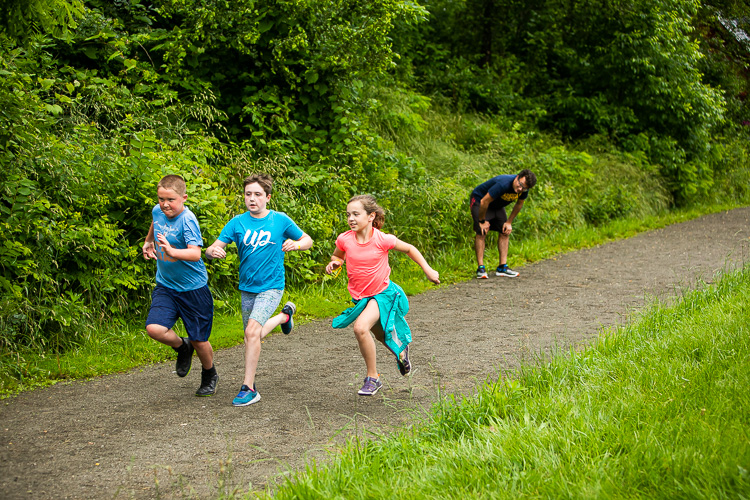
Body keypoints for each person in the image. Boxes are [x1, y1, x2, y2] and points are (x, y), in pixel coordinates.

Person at [205, 173, 312, 407]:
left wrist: (296, 244)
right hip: (247, 288)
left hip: (272, 286)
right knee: (252, 336)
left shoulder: (280, 220)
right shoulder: (237, 223)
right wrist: (213, 251)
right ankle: (285, 317)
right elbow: (212, 247)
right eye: (248, 194)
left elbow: (308, 240)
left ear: (268, 197)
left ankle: (249, 388)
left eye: (257, 194)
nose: (252, 199)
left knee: (252, 333)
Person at [325, 195, 440, 396]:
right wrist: (335, 263)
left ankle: (373, 378)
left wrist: (428, 271)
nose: (351, 218)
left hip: (383, 294)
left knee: (360, 328)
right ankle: (402, 352)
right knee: (380, 335)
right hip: (361, 298)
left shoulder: (381, 239)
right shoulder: (345, 239)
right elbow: (338, 255)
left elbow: (410, 249)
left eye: (356, 214)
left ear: (371, 216)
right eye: (348, 215)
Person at [142, 174, 218, 397]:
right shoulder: (159, 212)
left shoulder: (188, 220)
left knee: (199, 340)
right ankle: (182, 347)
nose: (165, 205)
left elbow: (195, 254)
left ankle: (209, 373)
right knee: (154, 329)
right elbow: (155, 223)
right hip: (166, 285)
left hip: (193, 289)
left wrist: (172, 252)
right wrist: (149, 241)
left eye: (170, 200)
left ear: (183, 197)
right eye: (160, 199)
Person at [470, 169, 537, 279]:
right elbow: (484, 201)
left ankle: (502, 267)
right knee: (482, 231)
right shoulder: (503, 183)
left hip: (496, 205)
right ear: (517, 177)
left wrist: (509, 222)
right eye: (520, 185)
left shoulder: (524, 189)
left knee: (505, 231)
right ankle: (480, 268)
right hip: (480, 200)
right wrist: (482, 221)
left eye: (524, 188)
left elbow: (519, 204)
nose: (520, 189)